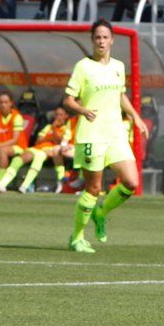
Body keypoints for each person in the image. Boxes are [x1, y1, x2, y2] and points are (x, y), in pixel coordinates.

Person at [62, 18, 148, 253]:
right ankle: (76, 237)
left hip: (116, 133)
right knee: (93, 188)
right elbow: (68, 100)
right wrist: (82, 110)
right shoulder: (83, 67)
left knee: (131, 182)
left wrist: (135, 117)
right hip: (92, 135)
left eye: (105, 37)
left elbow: (120, 95)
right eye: (98, 37)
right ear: (92, 40)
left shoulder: (118, 66)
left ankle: (101, 212)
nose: (101, 41)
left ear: (112, 40)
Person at [0, 107, 71, 193]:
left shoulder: (67, 129)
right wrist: (50, 133)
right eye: (56, 114)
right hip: (37, 148)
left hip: (50, 151)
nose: (58, 117)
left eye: (61, 115)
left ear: (66, 116)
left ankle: (25, 186)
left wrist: (53, 130)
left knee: (39, 157)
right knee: (17, 159)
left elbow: (59, 142)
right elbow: (38, 140)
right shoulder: (48, 127)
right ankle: (2, 184)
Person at [0, 91, 26, 191]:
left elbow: (14, 140)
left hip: (18, 146)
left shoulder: (17, 116)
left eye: (6, 102)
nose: (3, 105)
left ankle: (0, 183)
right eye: (1, 102)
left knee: (3, 151)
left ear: (11, 103)